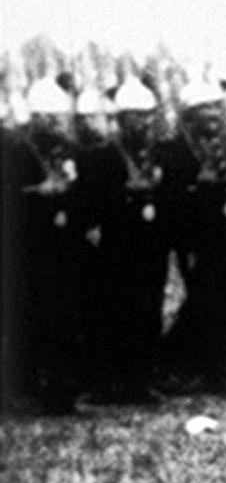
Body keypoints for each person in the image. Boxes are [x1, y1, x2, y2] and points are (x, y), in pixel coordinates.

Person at [157, 78, 226, 393]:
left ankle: (218, 369)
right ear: (190, 114)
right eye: (206, 108)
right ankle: (184, 363)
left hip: (225, 233)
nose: (214, 114)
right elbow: (170, 197)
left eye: (217, 107)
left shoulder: (225, 146)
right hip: (193, 236)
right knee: (204, 302)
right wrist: (200, 185)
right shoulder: (173, 151)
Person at [2, 75, 87, 413]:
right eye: (47, 117)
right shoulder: (16, 151)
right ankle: (28, 387)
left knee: (66, 316)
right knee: (32, 315)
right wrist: (40, 193)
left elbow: (82, 192)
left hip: (64, 245)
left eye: (57, 117)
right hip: (30, 245)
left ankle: (61, 389)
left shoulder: (69, 149)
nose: (53, 123)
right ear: (34, 118)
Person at [84, 75, 169, 403]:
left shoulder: (155, 155)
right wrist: (124, 196)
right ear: (121, 119)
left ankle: (139, 381)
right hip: (118, 245)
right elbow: (91, 202)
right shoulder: (102, 156)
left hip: (151, 243)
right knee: (114, 313)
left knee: (149, 312)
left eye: (147, 116)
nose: (143, 123)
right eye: (136, 116)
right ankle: (107, 383)